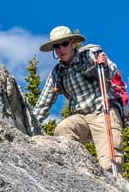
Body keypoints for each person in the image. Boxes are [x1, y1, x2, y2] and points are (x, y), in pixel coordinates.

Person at [32, 25, 123, 173]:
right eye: (56, 46)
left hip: (103, 112)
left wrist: (104, 64)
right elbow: (42, 105)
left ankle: (115, 187)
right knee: (63, 129)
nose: (61, 49)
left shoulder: (89, 55)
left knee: (109, 164)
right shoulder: (57, 73)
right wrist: (29, 127)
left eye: (64, 44)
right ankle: (77, 172)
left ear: (72, 43)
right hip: (80, 117)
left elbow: (112, 71)